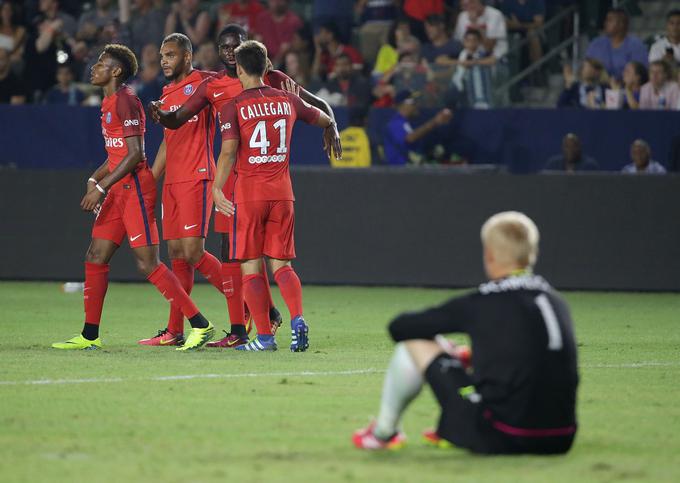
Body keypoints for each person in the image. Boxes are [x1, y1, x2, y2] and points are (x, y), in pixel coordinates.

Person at [150, 24, 341, 348]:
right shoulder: (216, 86)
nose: (228, 51)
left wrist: (332, 122)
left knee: (245, 260)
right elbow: (180, 118)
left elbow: (314, 101)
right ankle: (259, 321)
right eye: (223, 46)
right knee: (239, 258)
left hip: (244, 184)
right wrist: (330, 124)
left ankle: (253, 329)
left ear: (244, 53)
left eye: (234, 46)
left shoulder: (269, 82)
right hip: (263, 186)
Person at [353, 211, 578, 455]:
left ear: (489, 255)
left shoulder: (484, 301)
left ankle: (383, 434)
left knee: (415, 340)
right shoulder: (555, 300)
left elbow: (399, 327)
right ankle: (446, 429)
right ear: (532, 254)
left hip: (503, 435)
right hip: (561, 438)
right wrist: (475, 354)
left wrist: (448, 352)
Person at [52, 44, 215, 351]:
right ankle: (89, 336)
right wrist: (94, 179)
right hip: (117, 188)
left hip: (135, 189)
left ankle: (200, 324)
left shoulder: (125, 101)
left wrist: (101, 188)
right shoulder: (109, 101)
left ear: (115, 71)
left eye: (101, 63)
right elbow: (115, 155)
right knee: (95, 256)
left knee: (148, 263)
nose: (94, 68)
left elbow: (135, 154)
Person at [212, 40, 335, 352]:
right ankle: (296, 319)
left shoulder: (234, 106)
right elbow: (322, 116)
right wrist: (330, 129)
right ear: (266, 66)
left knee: (251, 267)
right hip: (282, 194)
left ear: (239, 69)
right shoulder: (287, 100)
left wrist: (215, 188)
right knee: (282, 266)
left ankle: (265, 337)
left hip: (249, 195)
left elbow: (227, 154)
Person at [136, 34, 234, 346]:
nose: (164, 60)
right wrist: (152, 177)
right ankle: (175, 330)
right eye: (162, 55)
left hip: (198, 176)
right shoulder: (165, 93)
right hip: (173, 183)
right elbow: (168, 140)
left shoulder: (206, 82)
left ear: (187, 56)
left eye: (170, 55)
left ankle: (245, 306)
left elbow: (235, 84)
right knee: (177, 253)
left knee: (193, 251)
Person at [383, 90, 452, 165]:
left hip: (409, 171)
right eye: (413, 101)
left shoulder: (407, 123)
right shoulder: (395, 123)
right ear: (404, 104)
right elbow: (410, 138)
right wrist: (435, 122)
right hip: (398, 172)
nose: (416, 105)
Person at [584, 8, 647, 80]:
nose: (605, 23)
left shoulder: (636, 45)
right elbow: (586, 70)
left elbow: (640, 75)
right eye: (606, 20)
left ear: (621, 24)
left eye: (609, 20)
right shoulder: (596, 44)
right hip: (598, 87)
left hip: (626, 89)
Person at [451, 29, 495, 108]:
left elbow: (493, 60)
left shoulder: (483, 54)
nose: (471, 43)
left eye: (474, 40)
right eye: (468, 40)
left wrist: (472, 62)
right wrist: (460, 62)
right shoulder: (460, 54)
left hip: (485, 95)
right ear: (464, 41)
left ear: (479, 42)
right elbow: (440, 60)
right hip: (467, 96)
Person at [251, 0, 303, 68]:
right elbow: (258, 40)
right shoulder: (262, 18)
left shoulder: (294, 21)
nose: (276, 2)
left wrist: (274, 64)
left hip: (284, 59)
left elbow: (286, 48)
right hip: (265, 57)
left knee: (291, 58)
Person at [497, 0, 545, 66]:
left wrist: (520, 25)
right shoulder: (507, 2)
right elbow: (505, 23)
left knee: (532, 35)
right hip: (512, 31)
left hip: (531, 30)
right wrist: (516, 25)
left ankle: (537, 68)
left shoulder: (536, 1)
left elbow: (538, 23)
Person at [0, 1, 27, 67]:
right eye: (4, 9)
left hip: (10, 63)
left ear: (13, 12)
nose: (6, 12)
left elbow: (19, 53)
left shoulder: (20, 30)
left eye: (9, 10)